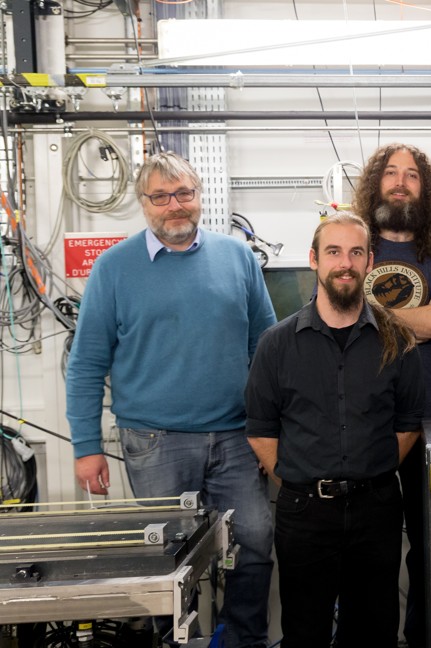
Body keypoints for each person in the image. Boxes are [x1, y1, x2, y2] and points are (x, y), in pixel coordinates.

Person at [65, 151, 276, 648]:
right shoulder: (114, 269)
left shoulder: (238, 258)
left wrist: (271, 430)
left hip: (237, 437)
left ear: (199, 197)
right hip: (154, 441)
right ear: (144, 204)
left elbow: (267, 349)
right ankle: (176, 642)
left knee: (255, 542)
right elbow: (87, 362)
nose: (174, 206)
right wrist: (85, 446)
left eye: (183, 194)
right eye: (160, 197)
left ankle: (242, 639)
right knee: (168, 558)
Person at [245, 212, 425, 648]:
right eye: (333, 252)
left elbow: (407, 424)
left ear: (369, 262)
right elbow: (261, 430)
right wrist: (303, 481)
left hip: (376, 511)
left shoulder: (396, 341)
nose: (345, 262)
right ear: (314, 260)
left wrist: (370, 470)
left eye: (355, 252)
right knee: (304, 633)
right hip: (304, 514)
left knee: (375, 632)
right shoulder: (276, 344)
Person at [352, 143, 431, 648]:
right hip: (364, 418)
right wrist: (411, 323)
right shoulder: (354, 247)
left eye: (411, 175)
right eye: (391, 173)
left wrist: (369, 314)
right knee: (366, 550)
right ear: (376, 184)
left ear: (425, 189)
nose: (400, 182)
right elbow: (338, 318)